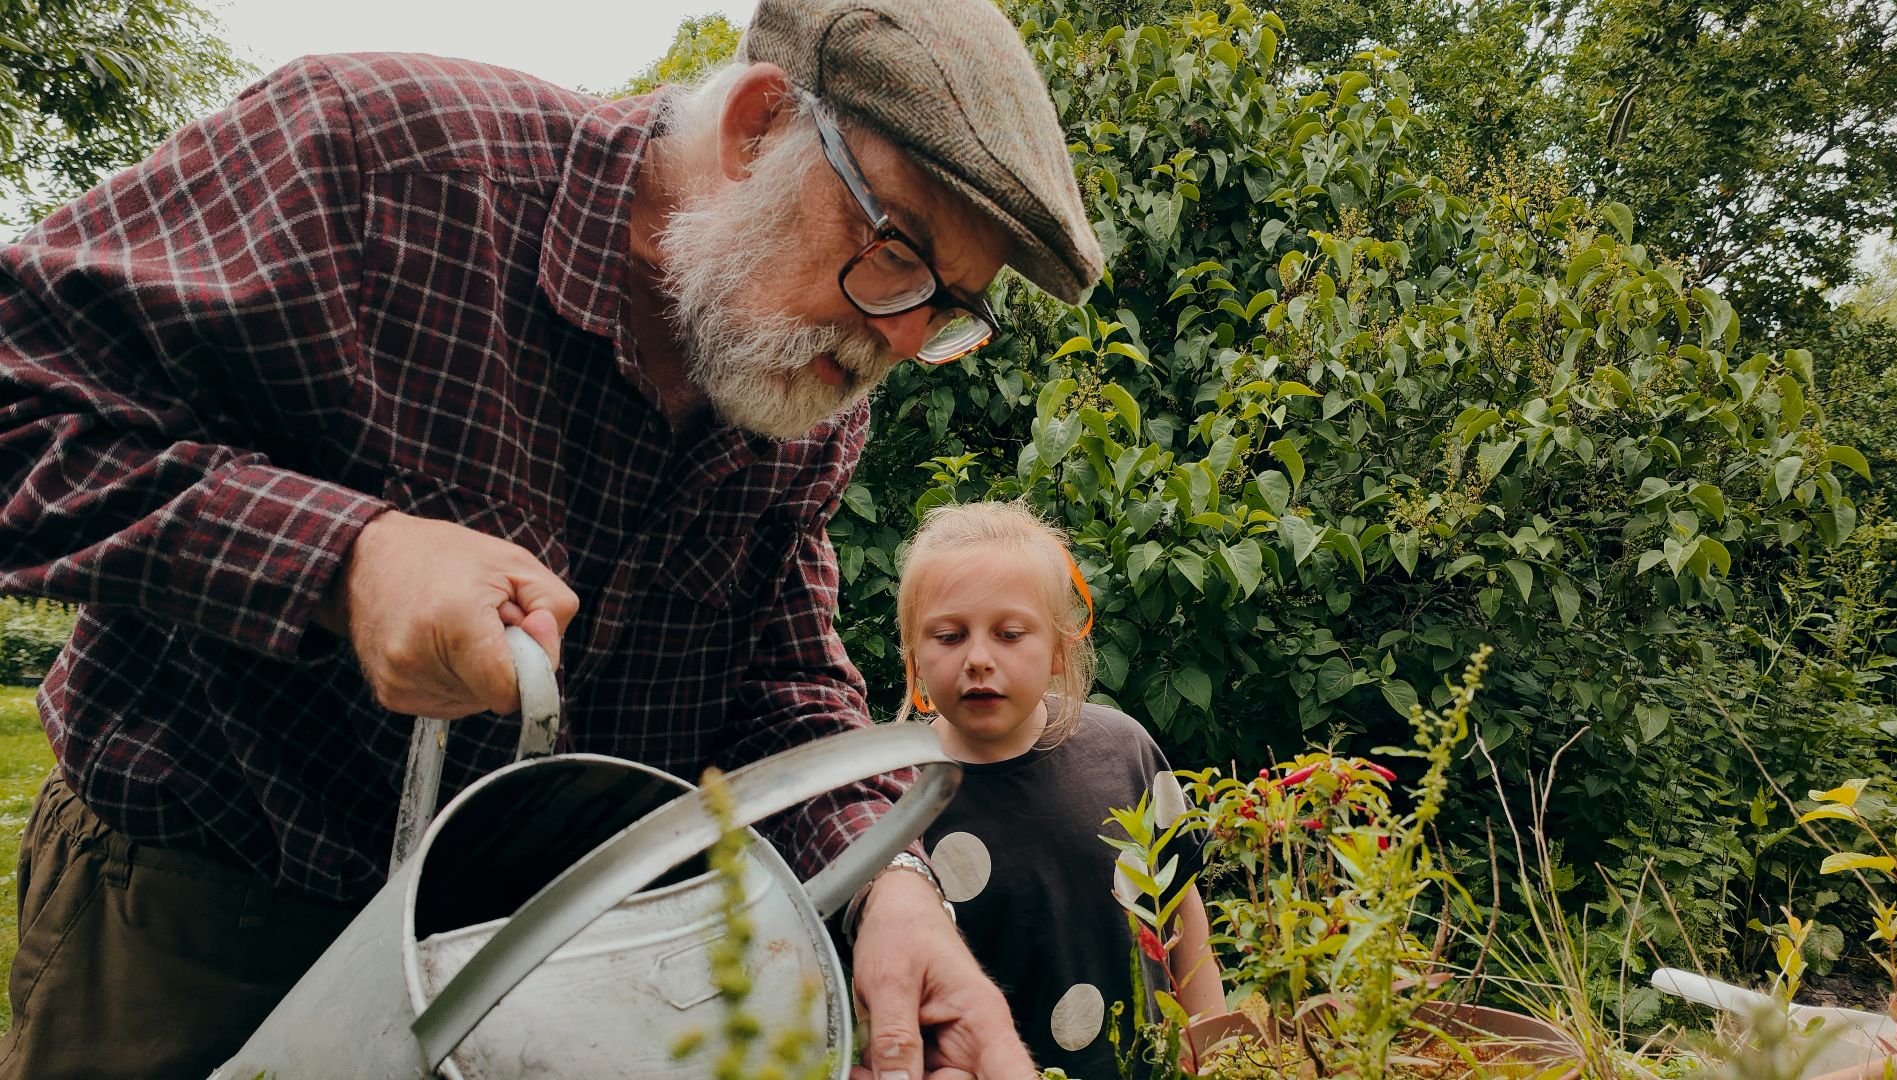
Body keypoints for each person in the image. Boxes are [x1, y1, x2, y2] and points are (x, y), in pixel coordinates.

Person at [0, 0, 1107, 1074]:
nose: (900, 337)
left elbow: (777, 680)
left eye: (949, 305)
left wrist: (890, 884)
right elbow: (23, 397)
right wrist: (349, 559)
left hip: (530, 967)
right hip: (193, 918)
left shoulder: (802, 388)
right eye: (898, 250)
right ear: (757, 127)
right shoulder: (381, 163)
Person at [895, 502, 1227, 1080]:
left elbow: (1183, 917)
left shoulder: (1123, 751)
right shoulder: (896, 795)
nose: (977, 659)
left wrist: (1213, 1051)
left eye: (1009, 634)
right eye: (949, 636)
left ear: (1058, 648)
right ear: (915, 655)